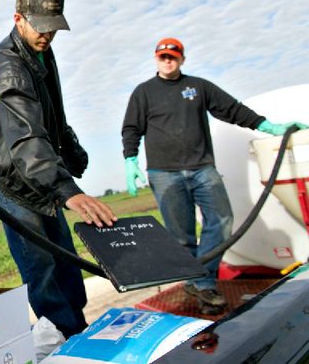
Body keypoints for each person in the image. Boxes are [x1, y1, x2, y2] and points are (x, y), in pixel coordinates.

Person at [122, 37, 307, 308]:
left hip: (202, 169)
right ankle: (197, 283)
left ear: (182, 59)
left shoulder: (198, 87)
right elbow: (131, 128)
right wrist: (130, 159)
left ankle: (202, 281)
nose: (168, 60)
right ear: (156, 59)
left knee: (222, 222)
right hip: (164, 174)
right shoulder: (144, 92)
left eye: (173, 56)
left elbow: (232, 110)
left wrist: (270, 127)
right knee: (181, 236)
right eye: (163, 56)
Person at [0, 0, 117, 338]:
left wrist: (71, 151)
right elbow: (26, 138)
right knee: (41, 269)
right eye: (40, 27)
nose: (47, 36)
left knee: (66, 263)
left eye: (53, 28)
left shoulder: (42, 52)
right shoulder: (9, 66)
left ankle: (79, 331)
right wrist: (66, 189)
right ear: (18, 18)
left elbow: (53, 114)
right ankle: (63, 341)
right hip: (16, 182)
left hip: (42, 173)